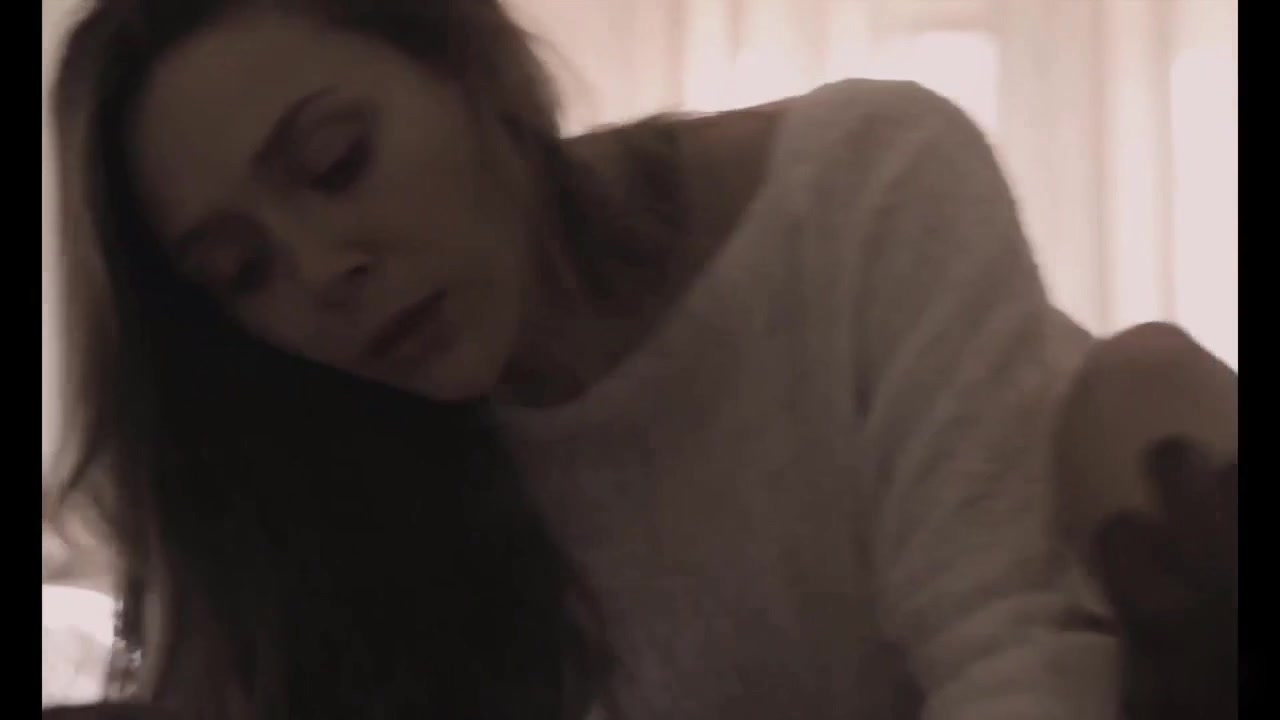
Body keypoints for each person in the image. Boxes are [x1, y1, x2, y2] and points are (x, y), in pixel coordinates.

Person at [47, 0, 1230, 718]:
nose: (319, 272)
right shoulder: (340, 485)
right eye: (238, 272)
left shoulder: (862, 185)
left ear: (464, 63)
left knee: (1148, 398)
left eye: (335, 162)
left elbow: (1014, 663)